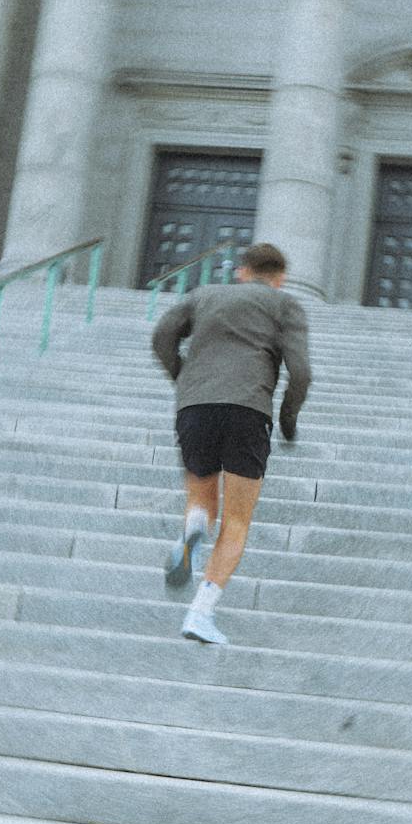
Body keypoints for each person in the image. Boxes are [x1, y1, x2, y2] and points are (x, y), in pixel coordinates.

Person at [151, 242, 312, 645]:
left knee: (202, 497)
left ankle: (193, 526)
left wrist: (184, 380)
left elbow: (161, 336)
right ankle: (200, 613)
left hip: (195, 408)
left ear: (242, 271)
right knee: (236, 522)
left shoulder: (203, 294)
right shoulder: (284, 305)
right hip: (248, 410)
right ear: (280, 278)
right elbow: (302, 371)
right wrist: (288, 421)